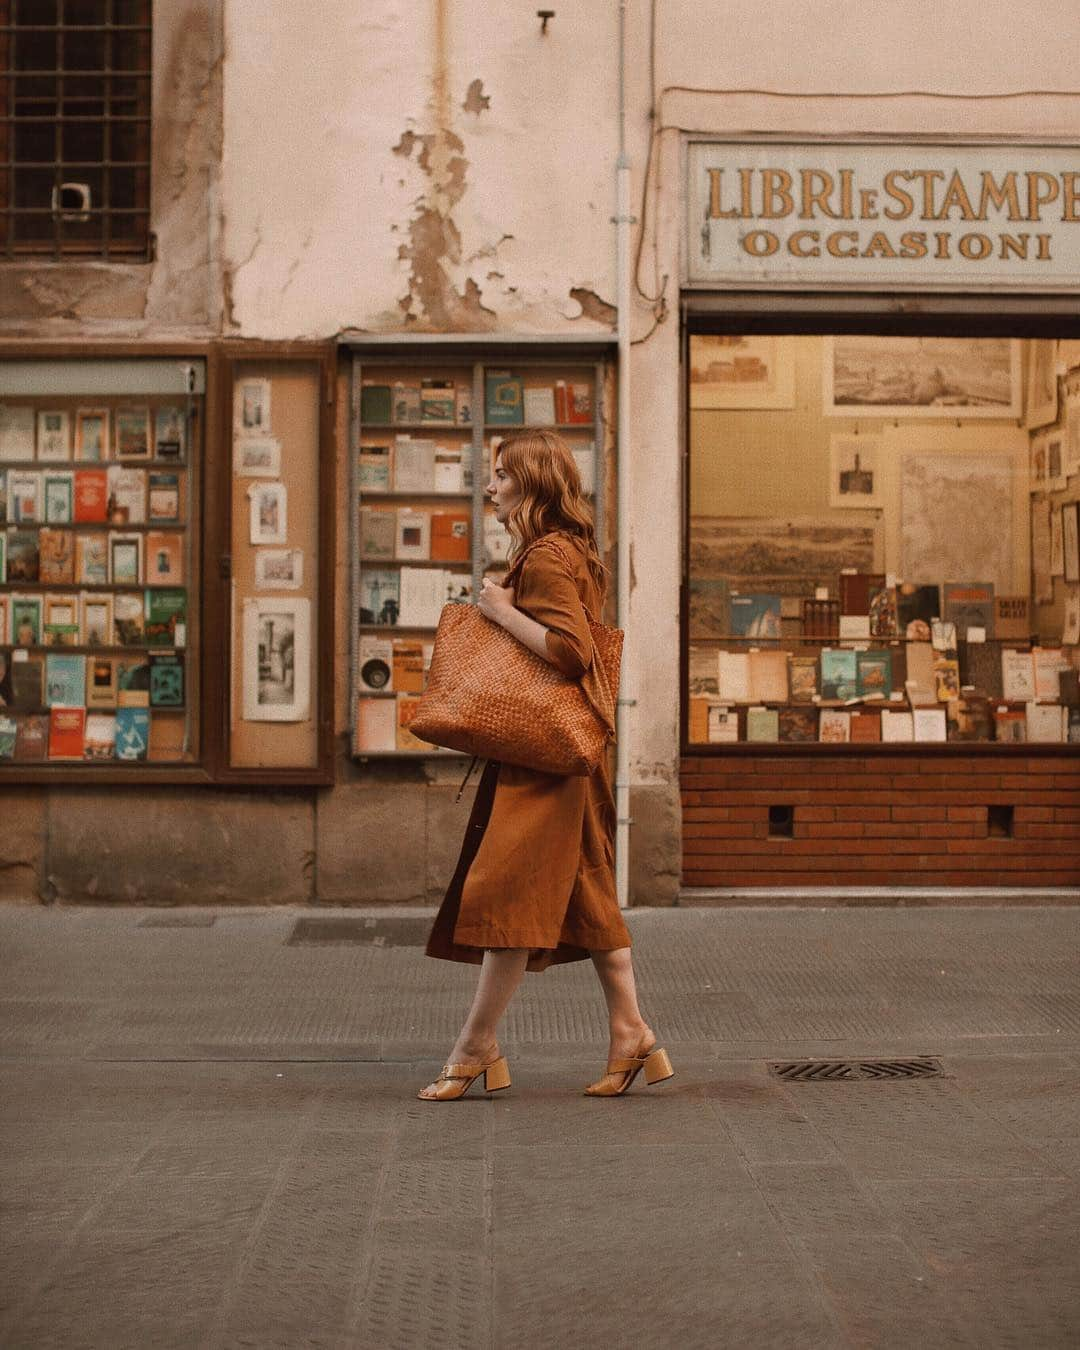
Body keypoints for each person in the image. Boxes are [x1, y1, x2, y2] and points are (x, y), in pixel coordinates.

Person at [420, 429, 673, 1101]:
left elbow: (570, 652)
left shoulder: (549, 558)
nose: (489, 484)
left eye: (501, 474)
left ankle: (475, 1047)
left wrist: (500, 613)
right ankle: (631, 1033)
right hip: (561, 755)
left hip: (545, 761)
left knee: (508, 895)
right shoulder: (561, 551)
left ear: (530, 484)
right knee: (587, 895)